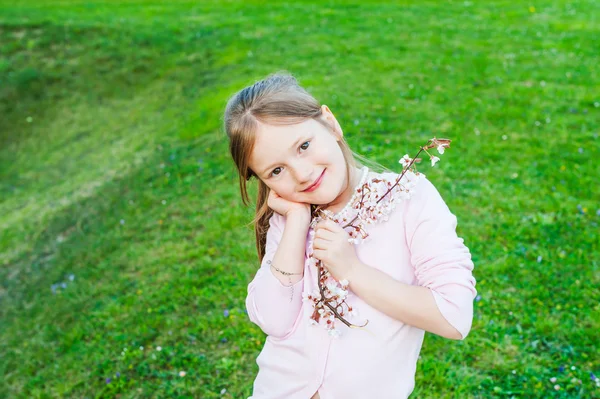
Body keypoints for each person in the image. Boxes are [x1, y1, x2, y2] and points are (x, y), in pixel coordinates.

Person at [222, 71, 477, 399]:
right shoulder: (289, 218)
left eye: (303, 145)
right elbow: (274, 320)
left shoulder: (409, 199)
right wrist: (298, 223)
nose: (301, 174)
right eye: (276, 170)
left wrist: (353, 271)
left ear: (330, 123)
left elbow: (454, 316)